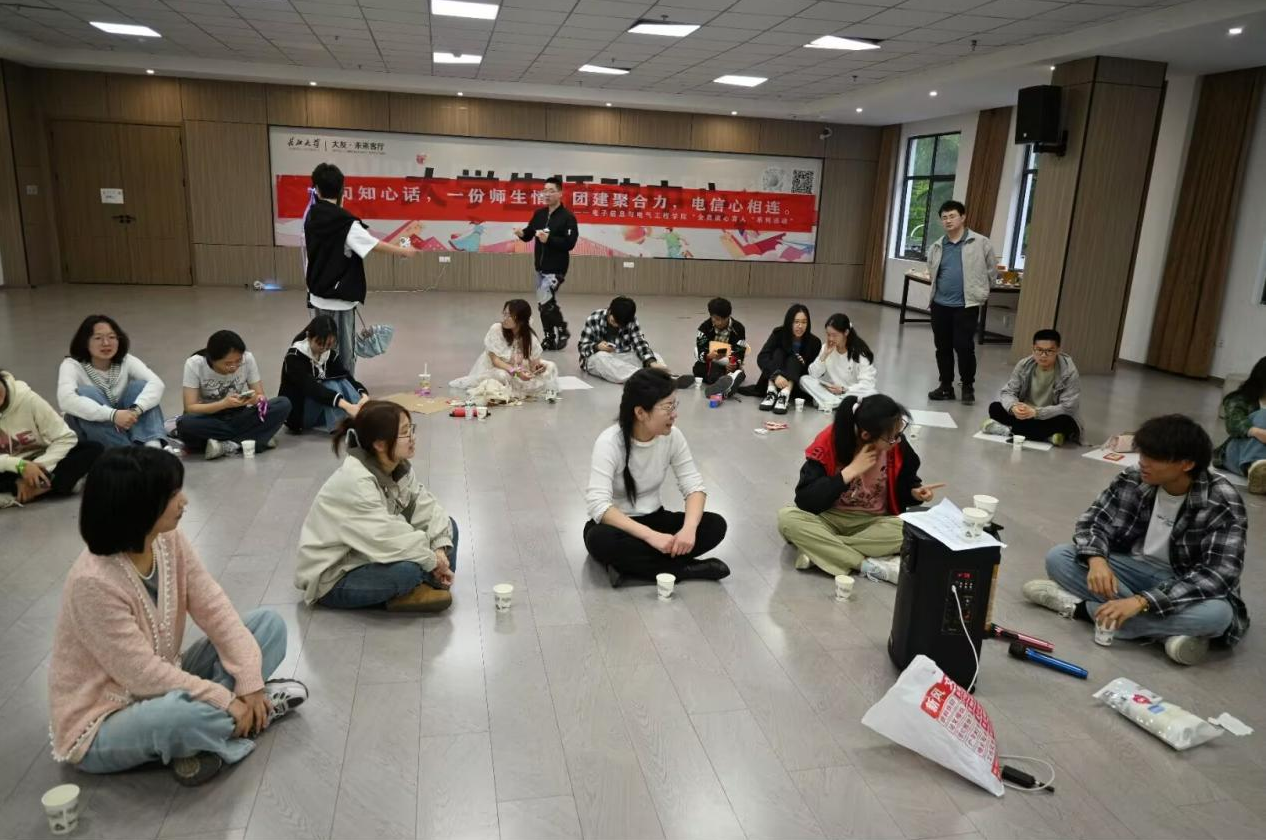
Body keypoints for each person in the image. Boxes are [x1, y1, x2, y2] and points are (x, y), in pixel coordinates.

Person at [47, 447, 307, 786]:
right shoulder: (92, 582)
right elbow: (141, 675)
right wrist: (226, 698)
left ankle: (221, 729)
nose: (184, 501)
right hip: (107, 719)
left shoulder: (167, 539)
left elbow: (213, 606)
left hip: (168, 679)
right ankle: (248, 717)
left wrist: (249, 681)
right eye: (172, 495)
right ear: (138, 505)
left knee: (268, 626)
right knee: (177, 717)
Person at [1023, 414, 1248, 666]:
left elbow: (1218, 575)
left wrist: (1141, 602)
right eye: (1142, 453)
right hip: (1131, 569)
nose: (1143, 462)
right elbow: (1093, 520)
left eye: (1154, 458)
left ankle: (1082, 609)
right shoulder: (1134, 476)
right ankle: (1165, 633)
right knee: (1059, 557)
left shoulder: (1222, 499)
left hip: (1182, 580)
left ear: (1186, 464)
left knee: (1218, 615)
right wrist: (1097, 561)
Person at [295, 400, 459, 612]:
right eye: (404, 432)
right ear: (379, 444)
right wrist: (432, 560)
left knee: (448, 527)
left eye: (411, 429)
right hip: (335, 575)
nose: (412, 437)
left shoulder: (397, 465)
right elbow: (385, 536)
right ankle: (418, 585)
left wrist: (439, 549)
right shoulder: (355, 481)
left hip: (368, 553)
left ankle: (420, 586)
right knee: (407, 571)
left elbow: (425, 506)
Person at [583, 368, 730, 587]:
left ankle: (632, 567)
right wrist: (651, 537)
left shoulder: (673, 437)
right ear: (640, 413)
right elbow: (599, 505)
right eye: (667, 407)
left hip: (655, 518)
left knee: (715, 525)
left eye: (674, 405)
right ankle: (686, 569)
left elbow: (694, 487)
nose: (674, 414)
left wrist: (688, 529)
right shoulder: (609, 442)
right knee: (599, 540)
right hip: (618, 526)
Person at [777, 394, 936, 583]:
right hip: (828, 517)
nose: (897, 441)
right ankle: (868, 566)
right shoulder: (830, 441)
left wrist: (914, 492)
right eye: (892, 438)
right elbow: (805, 499)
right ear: (866, 435)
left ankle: (820, 552)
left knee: (914, 529)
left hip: (873, 521)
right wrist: (850, 471)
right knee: (787, 518)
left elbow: (907, 481)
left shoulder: (896, 445)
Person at [304, 162, 419, 378]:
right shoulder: (344, 223)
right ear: (342, 190)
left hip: (317, 296)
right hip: (339, 300)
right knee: (343, 352)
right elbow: (374, 245)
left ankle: (322, 383)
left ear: (317, 189)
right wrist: (404, 252)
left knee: (320, 348)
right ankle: (344, 387)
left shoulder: (311, 216)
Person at [925, 200, 998, 406]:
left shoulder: (980, 242)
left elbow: (992, 271)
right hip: (940, 305)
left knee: (964, 346)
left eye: (952, 216)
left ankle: (967, 386)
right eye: (944, 217)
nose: (948, 221)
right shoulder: (937, 245)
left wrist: (982, 291)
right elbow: (932, 269)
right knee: (942, 347)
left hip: (966, 305)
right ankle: (945, 386)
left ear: (963, 217)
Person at [177, 331, 291, 460]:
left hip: (237, 414)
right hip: (209, 416)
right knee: (185, 424)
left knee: (283, 404)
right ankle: (255, 438)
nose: (234, 367)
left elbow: (260, 396)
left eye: (238, 361)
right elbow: (190, 407)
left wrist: (254, 399)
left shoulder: (248, 358)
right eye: (228, 363)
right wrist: (223, 404)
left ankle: (229, 445)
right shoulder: (195, 364)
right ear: (212, 359)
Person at [57, 314, 167, 448]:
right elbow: (66, 400)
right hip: (89, 430)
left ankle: (152, 448)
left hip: (124, 424)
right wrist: (112, 415)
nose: (106, 343)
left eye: (111, 337)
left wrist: (135, 410)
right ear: (85, 342)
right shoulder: (71, 365)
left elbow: (156, 383)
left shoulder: (126, 360)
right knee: (86, 392)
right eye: (98, 338)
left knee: (140, 387)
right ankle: (128, 452)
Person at [1, 367, 103, 509]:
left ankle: (26, 489)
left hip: (44, 459)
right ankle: (48, 487)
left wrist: (37, 469)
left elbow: (65, 437)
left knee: (93, 448)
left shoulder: (28, 399)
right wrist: (20, 465)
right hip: (8, 467)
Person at [981, 328, 1082, 446]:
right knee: (995, 407)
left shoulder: (1069, 371)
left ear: (1058, 350)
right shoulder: (1024, 365)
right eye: (1039, 350)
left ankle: (1009, 430)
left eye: (1049, 351)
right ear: (1033, 349)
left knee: (1066, 422)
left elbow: (1069, 407)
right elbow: (1008, 392)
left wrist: (1036, 412)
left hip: (1049, 415)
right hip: (1026, 414)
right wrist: (1014, 407)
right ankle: (1046, 435)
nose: (1043, 355)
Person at [513, 176, 578, 351]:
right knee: (544, 304)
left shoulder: (568, 218)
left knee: (545, 301)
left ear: (560, 193)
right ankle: (549, 337)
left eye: (551, 191)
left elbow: (570, 243)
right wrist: (521, 233)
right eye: (545, 191)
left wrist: (549, 240)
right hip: (540, 267)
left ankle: (562, 329)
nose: (547, 194)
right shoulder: (539, 214)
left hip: (557, 268)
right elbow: (529, 233)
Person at [449, 299, 560, 399]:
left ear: (521, 319)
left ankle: (517, 384)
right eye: (504, 314)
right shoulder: (496, 329)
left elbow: (533, 364)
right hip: (495, 369)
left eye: (509, 315)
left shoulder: (529, 337)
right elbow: (495, 361)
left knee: (550, 366)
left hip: (518, 369)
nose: (505, 318)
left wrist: (538, 368)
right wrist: (515, 372)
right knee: (503, 376)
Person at [279, 315, 369, 434]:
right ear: (308, 336)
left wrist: (364, 396)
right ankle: (341, 425)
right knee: (329, 383)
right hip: (300, 415)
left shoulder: (329, 354)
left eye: (329, 345)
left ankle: (363, 413)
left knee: (341, 379)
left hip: (319, 409)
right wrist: (347, 406)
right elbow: (312, 388)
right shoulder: (294, 357)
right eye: (320, 343)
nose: (324, 349)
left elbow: (346, 377)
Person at [578, 296, 692, 387]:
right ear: (609, 311)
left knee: (654, 356)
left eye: (620, 325)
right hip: (596, 358)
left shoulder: (631, 320)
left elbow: (640, 344)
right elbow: (582, 347)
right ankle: (650, 378)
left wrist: (651, 362)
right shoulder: (595, 318)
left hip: (621, 356)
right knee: (601, 358)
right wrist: (597, 347)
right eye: (614, 322)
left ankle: (666, 377)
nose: (616, 326)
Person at [743, 303, 822, 414]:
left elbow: (814, 372)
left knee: (795, 359)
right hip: (773, 379)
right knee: (778, 352)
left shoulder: (814, 342)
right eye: (796, 322)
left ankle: (784, 395)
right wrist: (776, 376)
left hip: (795, 386)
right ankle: (771, 393)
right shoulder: (779, 334)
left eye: (804, 322)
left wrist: (804, 365)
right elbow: (762, 357)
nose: (800, 326)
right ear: (789, 322)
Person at [800, 313, 877, 411]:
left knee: (871, 394)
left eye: (834, 335)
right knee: (804, 380)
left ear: (846, 332)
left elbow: (867, 384)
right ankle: (835, 403)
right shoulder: (826, 348)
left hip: (852, 393)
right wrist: (824, 355)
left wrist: (844, 390)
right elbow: (813, 374)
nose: (830, 339)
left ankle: (831, 402)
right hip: (833, 392)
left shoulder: (860, 353)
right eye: (828, 334)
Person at [1214, 356, 1265, 495]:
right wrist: (1257, 432)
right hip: (1237, 453)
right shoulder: (1239, 399)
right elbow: (1233, 423)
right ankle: (1256, 471)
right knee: (1264, 416)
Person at [693, 296, 748, 394]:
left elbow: (740, 351)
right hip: (711, 361)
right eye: (716, 319)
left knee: (732, 369)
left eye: (723, 319)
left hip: (728, 361)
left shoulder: (738, 328)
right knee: (698, 369)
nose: (719, 322)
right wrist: (708, 356)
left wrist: (734, 364)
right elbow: (700, 348)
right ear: (711, 316)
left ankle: (728, 377)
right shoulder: (704, 328)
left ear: (728, 316)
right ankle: (730, 380)